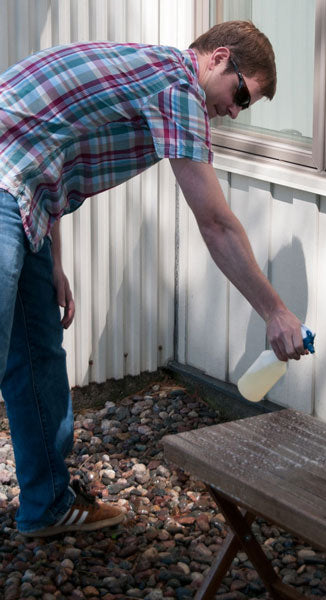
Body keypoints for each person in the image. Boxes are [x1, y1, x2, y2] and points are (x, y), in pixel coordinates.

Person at [0, 20, 307, 537]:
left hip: (26, 195)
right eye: (241, 96)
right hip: (6, 186)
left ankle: (47, 504)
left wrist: (49, 256)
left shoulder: (154, 72)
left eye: (244, 106)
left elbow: (50, 140)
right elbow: (215, 224)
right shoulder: (179, 87)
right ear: (217, 58)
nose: (234, 111)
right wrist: (275, 310)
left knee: (36, 354)